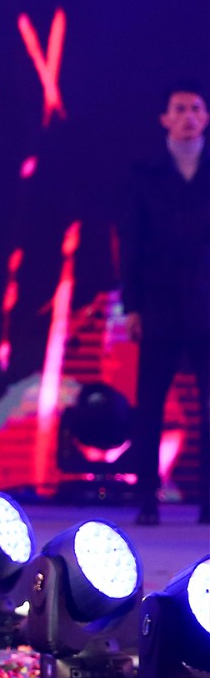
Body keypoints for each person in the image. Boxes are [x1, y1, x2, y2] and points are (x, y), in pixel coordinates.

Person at [119, 83, 210, 525]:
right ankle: (146, 500)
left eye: (196, 108)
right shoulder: (146, 175)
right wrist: (132, 306)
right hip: (159, 302)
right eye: (180, 109)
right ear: (165, 119)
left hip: (206, 301)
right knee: (151, 405)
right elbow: (131, 244)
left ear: (206, 116)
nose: (188, 116)